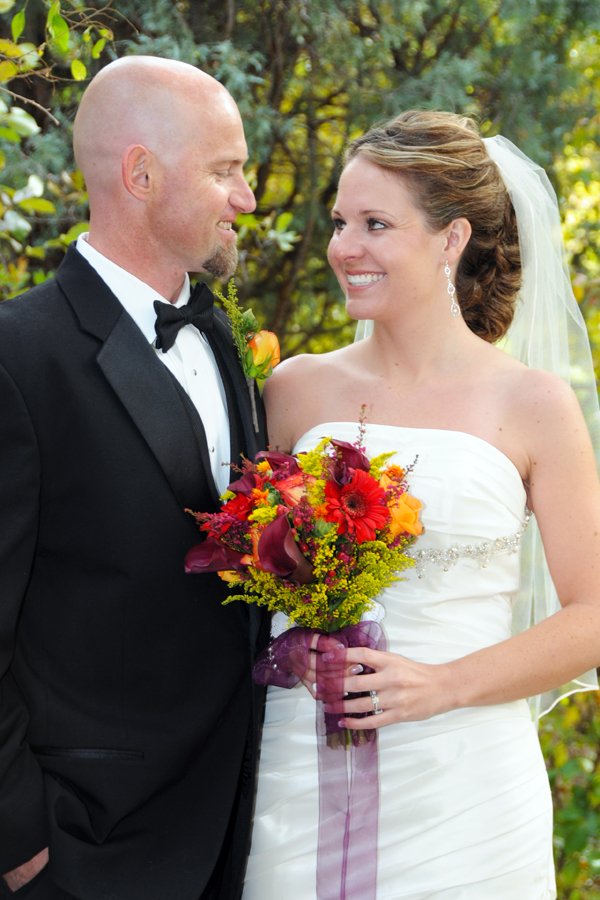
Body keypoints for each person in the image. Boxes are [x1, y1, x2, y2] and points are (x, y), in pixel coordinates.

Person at [242, 110, 600, 899]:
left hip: (464, 785)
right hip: (296, 770)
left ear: (451, 239)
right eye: (340, 222)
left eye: (375, 224)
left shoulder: (533, 402)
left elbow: (593, 614)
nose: (344, 248)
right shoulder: (295, 388)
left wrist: (444, 685)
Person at [0, 56, 269, 900]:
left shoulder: (222, 341)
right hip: (84, 846)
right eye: (226, 170)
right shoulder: (17, 355)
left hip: (235, 835)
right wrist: (23, 846)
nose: (247, 198)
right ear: (141, 173)